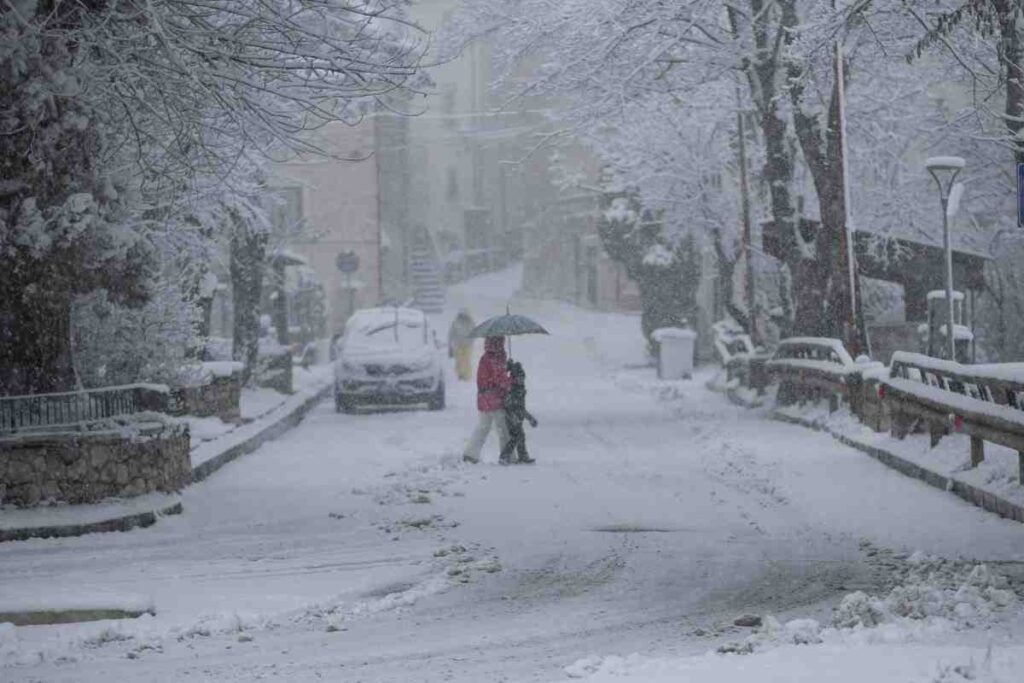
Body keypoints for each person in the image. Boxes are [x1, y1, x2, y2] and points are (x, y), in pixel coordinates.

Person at [463, 336, 510, 464]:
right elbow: (499, 379)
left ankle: (470, 453)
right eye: (501, 341)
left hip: (484, 397)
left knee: (483, 426)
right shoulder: (496, 358)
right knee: (503, 428)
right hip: (495, 398)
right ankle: (507, 455)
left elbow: (488, 378)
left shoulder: (486, 357)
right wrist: (510, 381)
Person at [499, 359, 538, 465]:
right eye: (519, 378)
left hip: (517, 417)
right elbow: (511, 407)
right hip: (512, 418)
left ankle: (523, 456)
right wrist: (516, 417)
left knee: (521, 436)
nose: (521, 380)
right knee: (516, 437)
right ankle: (504, 456)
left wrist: (529, 418)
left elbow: (521, 409)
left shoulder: (520, 390)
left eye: (523, 378)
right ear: (514, 379)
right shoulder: (513, 391)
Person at [448, 309, 476, 381]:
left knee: (465, 360)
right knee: (460, 360)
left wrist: (471, 341)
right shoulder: (457, 322)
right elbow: (451, 333)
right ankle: (461, 374)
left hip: (466, 344)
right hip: (459, 344)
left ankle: (466, 375)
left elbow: (474, 332)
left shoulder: (469, 322)